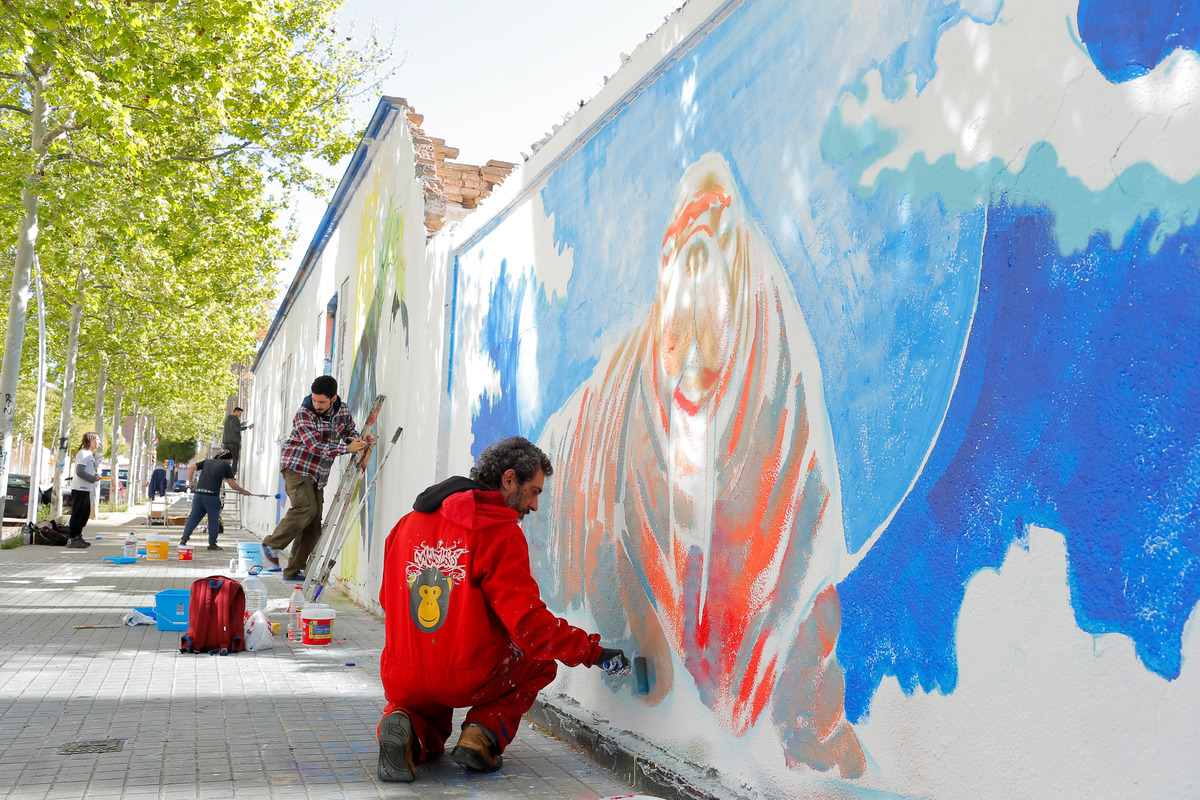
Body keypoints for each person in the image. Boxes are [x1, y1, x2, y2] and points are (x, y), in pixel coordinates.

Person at [374, 436, 629, 783]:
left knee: (427, 720)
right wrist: (594, 652)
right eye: (535, 491)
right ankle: (482, 735)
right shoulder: (499, 532)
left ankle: (408, 728)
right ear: (509, 479)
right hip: (467, 675)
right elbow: (528, 627)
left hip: (402, 675)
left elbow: (389, 600)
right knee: (538, 662)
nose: (535, 505)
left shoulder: (406, 524)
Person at [261, 376, 367, 581]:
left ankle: (292, 571)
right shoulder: (304, 414)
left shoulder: (342, 410)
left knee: (313, 525)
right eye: (315, 400)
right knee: (305, 508)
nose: (317, 405)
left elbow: (348, 431)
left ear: (333, 398)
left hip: (318, 473)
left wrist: (354, 439)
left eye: (322, 402)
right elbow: (315, 447)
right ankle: (271, 544)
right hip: (297, 465)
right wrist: (347, 448)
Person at [180, 450, 251, 550]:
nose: (231, 462)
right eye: (230, 460)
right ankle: (212, 544)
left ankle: (184, 540)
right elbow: (231, 483)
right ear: (227, 459)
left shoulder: (207, 462)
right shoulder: (226, 466)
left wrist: (191, 481)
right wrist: (242, 491)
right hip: (211, 497)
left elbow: (191, 467)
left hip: (199, 495)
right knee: (213, 520)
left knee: (193, 518)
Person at [66, 432, 101, 549]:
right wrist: (93, 478)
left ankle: (78, 536)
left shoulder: (90, 454)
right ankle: (73, 538)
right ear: (89, 441)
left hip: (86, 488)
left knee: (85, 513)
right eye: (96, 440)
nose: (98, 442)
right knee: (78, 514)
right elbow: (80, 472)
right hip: (79, 488)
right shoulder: (84, 453)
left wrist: (94, 475)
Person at [222, 406, 254, 475]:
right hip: (234, 443)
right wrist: (247, 427)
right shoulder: (236, 419)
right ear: (236, 412)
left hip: (226, 442)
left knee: (226, 459)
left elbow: (232, 428)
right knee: (235, 459)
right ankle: (232, 474)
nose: (240, 415)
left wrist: (240, 425)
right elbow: (236, 429)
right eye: (240, 413)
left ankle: (224, 473)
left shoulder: (227, 419)